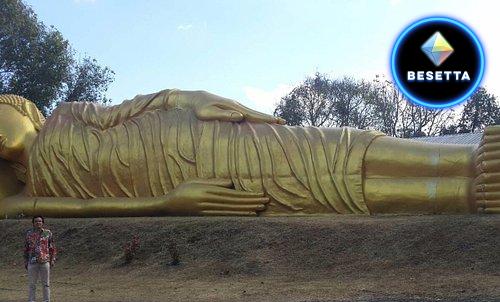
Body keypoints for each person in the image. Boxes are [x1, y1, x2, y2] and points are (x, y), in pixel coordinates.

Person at [0, 89, 498, 217]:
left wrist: (193, 98)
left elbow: (140, 105)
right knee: (313, 194)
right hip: (183, 184)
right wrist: (169, 203)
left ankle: (467, 158)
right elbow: (87, 208)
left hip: (202, 135)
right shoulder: (23, 196)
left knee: (318, 147)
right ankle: (463, 197)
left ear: (24, 110)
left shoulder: (67, 113)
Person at [24, 215, 56, 302]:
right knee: (32, 284)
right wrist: (25, 261)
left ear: (42, 223)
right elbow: (26, 248)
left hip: (44, 260)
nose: (38, 223)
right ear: (33, 223)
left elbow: (52, 247)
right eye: (36, 221)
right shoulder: (29, 234)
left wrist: (52, 259)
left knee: (46, 284)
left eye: (40, 221)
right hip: (32, 261)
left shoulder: (48, 233)